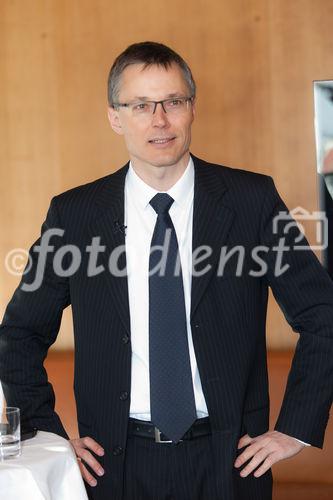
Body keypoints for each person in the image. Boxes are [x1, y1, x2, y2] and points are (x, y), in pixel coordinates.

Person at [0, 41, 332, 500]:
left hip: (231, 463)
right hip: (114, 468)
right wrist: (50, 439)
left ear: (192, 108)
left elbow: (324, 314)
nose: (159, 120)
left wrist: (295, 428)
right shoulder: (74, 215)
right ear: (115, 117)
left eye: (172, 102)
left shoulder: (251, 201)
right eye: (140, 105)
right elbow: (18, 333)